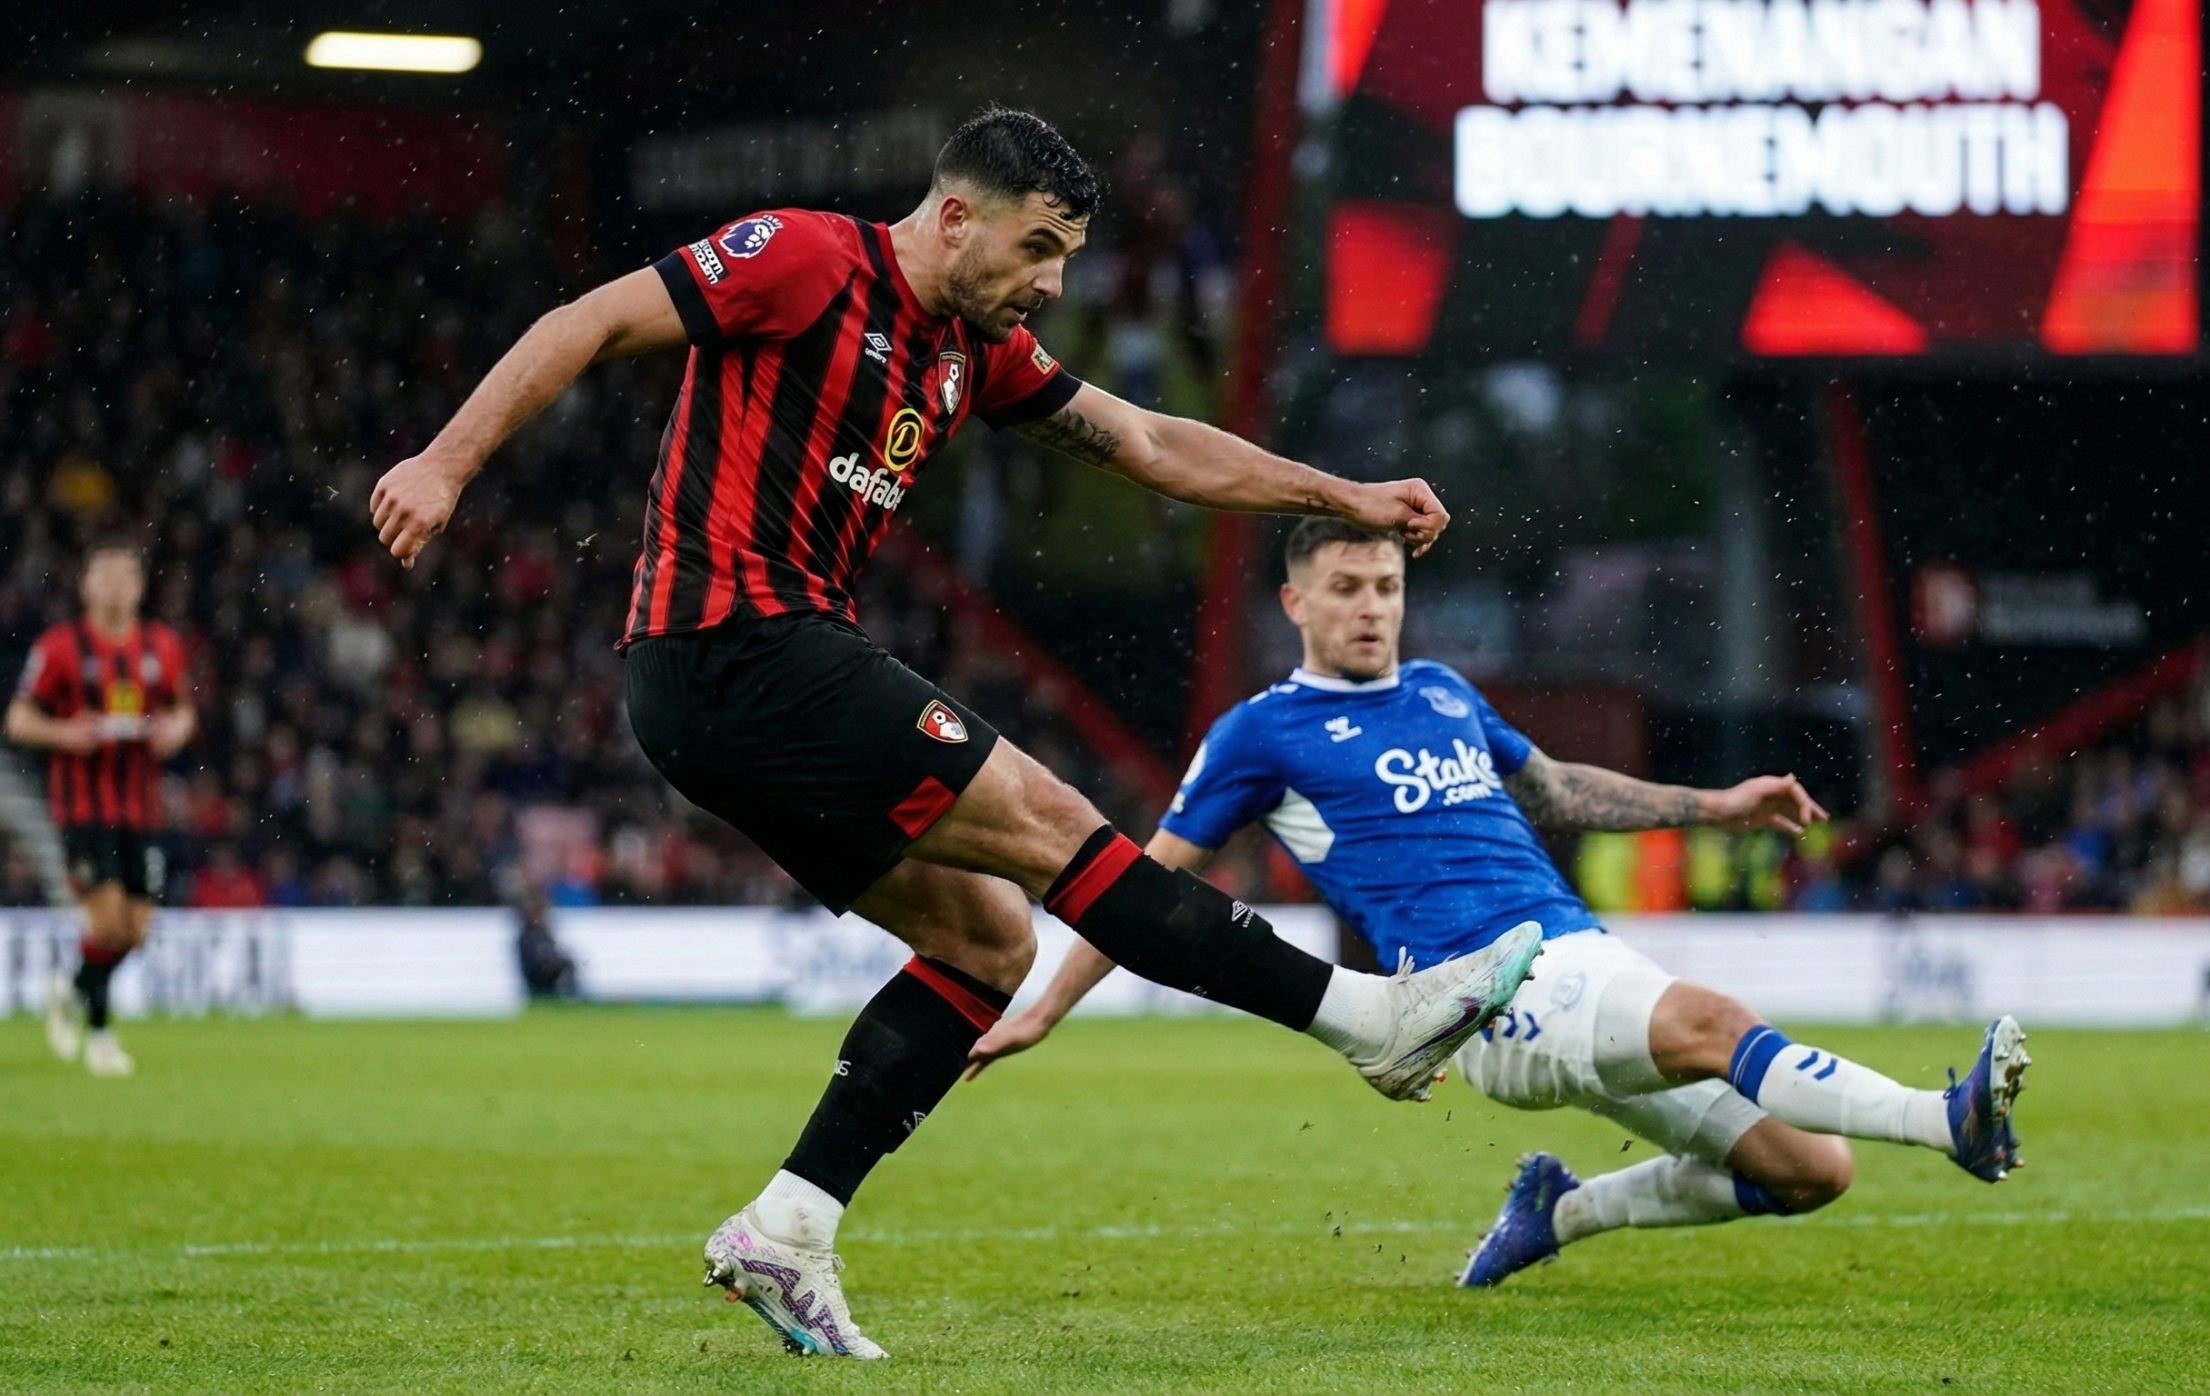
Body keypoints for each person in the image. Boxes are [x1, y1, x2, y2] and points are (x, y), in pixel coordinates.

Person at [366, 109, 1540, 1358]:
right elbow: (583, 321)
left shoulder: (969, 352)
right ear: (956, 215)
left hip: (744, 688)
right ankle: (1368, 1022)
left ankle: (786, 1228)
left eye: (1066, 258)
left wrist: (1340, 493)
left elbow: (1146, 442)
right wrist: (445, 464)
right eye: (1037, 247)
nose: (1050, 281)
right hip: (732, 645)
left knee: (986, 938)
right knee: (1051, 824)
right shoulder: (801, 259)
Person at [967, 518, 2032, 1288]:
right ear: (1294, 602)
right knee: (1712, 1022)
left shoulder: (1441, 689)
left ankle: (1556, 1209)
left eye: (1385, 585)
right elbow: (1145, 881)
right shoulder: (1261, 732)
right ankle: (1949, 1121)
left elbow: (1563, 789)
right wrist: (1047, 1004)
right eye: (1345, 586)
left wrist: (1718, 805)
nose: (1371, 606)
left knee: (1810, 1170)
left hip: (1580, 957)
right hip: (1484, 992)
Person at [6, 537, 196, 1077]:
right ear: (86, 585)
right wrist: (65, 733)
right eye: (104, 575)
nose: (114, 584)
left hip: (143, 810)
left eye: (124, 575)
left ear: (138, 587)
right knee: (108, 923)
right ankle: (101, 1038)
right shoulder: (61, 648)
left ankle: (72, 986)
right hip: (83, 811)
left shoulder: (161, 646)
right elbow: (19, 720)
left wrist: (172, 734)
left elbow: (185, 713)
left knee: (134, 932)